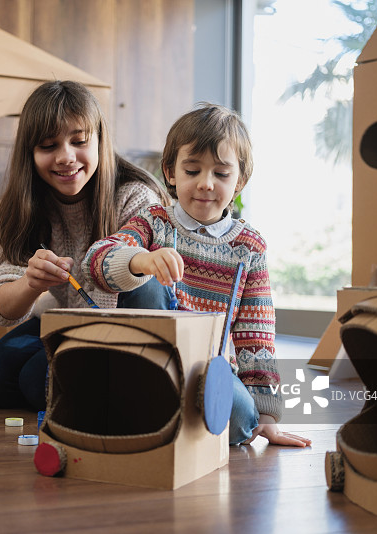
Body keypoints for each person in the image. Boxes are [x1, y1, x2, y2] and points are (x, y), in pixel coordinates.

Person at [82, 103, 311, 447]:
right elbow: (95, 261)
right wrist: (141, 261)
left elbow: (256, 333)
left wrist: (266, 414)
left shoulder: (249, 247)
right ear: (171, 173)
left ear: (240, 182)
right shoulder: (153, 221)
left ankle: (166, 409)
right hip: (149, 358)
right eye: (192, 171)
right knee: (147, 285)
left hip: (208, 368)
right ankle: (148, 395)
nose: (206, 184)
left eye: (221, 174)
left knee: (241, 424)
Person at [0, 80, 171, 412]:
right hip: (70, 324)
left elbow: (151, 293)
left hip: (129, 327)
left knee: (38, 382)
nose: (66, 157)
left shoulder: (135, 195)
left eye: (79, 141)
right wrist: (29, 283)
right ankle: (94, 387)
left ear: (99, 140)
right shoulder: (26, 206)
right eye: (48, 146)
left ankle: (128, 384)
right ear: (30, 152)